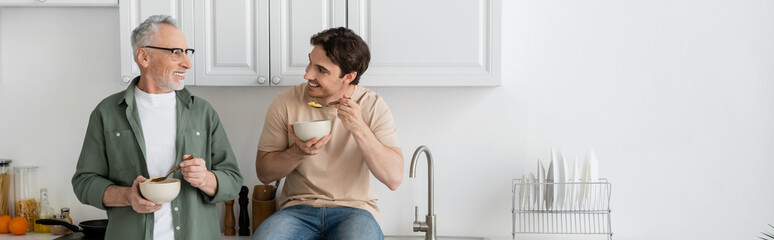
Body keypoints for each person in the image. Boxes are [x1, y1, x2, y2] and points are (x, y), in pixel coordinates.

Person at [71, 15, 243, 240]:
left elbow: (233, 180)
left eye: (186, 51)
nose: (187, 63)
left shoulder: (202, 112)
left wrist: (205, 178)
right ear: (144, 56)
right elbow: (84, 182)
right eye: (175, 52)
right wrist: (127, 196)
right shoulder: (107, 113)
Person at [253, 27, 403, 240]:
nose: (307, 74)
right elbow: (264, 174)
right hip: (297, 208)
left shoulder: (372, 106)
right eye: (309, 63)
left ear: (348, 77)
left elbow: (394, 178)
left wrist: (358, 127)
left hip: (355, 210)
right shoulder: (285, 102)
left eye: (321, 70)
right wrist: (298, 151)